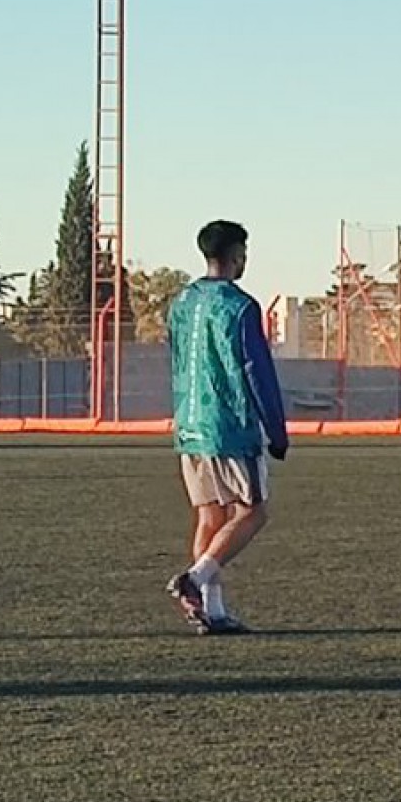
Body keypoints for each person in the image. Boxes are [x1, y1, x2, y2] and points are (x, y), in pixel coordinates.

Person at [165, 220, 288, 636]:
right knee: (252, 512)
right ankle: (195, 580)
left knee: (209, 515)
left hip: (189, 423)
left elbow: (178, 356)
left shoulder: (181, 302)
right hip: (229, 424)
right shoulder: (240, 307)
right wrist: (276, 426)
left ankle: (213, 612)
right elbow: (256, 370)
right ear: (236, 255)